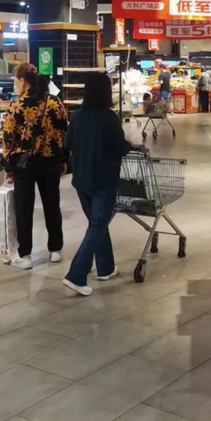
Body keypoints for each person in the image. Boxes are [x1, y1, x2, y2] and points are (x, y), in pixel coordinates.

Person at [63, 72, 133, 295]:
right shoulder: (108, 117)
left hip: (81, 180)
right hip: (104, 180)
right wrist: (130, 145)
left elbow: (67, 144)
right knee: (97, 225)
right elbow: (118, 147)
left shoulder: (77, 116)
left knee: (97, 224)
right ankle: (76, 275)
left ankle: (105, 268)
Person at [2, 62, 67, 269]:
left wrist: (8, 167)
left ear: (22, 81)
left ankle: (26, 255)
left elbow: (8, 139)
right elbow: (63, 131)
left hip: (24, 165)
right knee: (52, 204)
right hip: (50, 161)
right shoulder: (54, 103)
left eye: (15, 82)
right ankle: (55, 249)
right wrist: (63, 160)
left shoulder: (16, 106)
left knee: (24, 209)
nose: (15, 86)